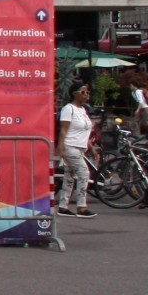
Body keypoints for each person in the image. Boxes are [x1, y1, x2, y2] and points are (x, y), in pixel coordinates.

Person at [56, 82, 97, 218]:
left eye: (88, 92)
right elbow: (64, 129)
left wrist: (92, 148)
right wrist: (60, 147)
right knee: (84, 173)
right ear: (75, 94)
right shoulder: (69, 109)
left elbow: (85, 132)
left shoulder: (83, 110)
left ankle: (63, 206)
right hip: (70, 146)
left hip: (80, 148)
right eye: (83, 92)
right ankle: (81, 206)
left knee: (69, 176)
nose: (86, 94)